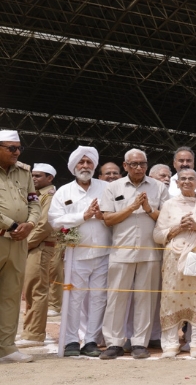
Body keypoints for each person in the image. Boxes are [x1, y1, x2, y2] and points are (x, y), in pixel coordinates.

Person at [99, 148, 169, 360]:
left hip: (150, 253)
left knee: (145, 300)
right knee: (116, 298)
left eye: (142, 164)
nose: (139, 168)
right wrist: (132, 207)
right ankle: (114, 343)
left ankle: (140, 343)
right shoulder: (113, 187)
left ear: (147, 165)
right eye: (134, 164)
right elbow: (108, 219)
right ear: (125, 165)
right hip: (122, 251)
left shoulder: (159, 187)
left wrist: (147, 208)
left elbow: (166, 219)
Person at [49, 146, 112, 357]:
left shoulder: (106, 188)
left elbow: (116, 215)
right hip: (76, 255)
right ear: (74, 165)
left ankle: (92, 340)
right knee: (73, 299)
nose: (85, 166)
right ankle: (71, 341)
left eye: (89, 162)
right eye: (81, 162)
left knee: (98, 298)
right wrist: (82, 216)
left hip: (104, 253)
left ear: (94, 165)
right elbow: (55, 221)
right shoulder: (64, 191)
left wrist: (102, 215)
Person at [153, 168, 196, 359]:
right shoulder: (169, 205)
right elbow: (157, 235)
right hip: (174, 259)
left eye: (191, 179)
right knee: (171, 299)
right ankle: (171, 344)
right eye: (183, 179)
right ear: (177, 182)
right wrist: (177, 228)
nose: (187, 182)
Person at [0, 130, 40, 364]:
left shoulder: (24, 172)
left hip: (17, 242)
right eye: (11, 148)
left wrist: (31, 224)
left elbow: (33, 201)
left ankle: (6, 347)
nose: (17, 152)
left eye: (19, 148)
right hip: (5, 234)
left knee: (11, 296)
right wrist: (13, 225)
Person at [16, 164, 57, 349]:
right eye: (32, 175)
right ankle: (29, 330)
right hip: (33, 246)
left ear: (50, 178)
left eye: (38, 176)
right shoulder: (38, 196)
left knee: (37, 290)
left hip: (39, 247)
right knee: (30, 290)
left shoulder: (49, 196)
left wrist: (23, 244)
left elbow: (44, 225)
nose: (34, 179)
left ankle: (34, 334)